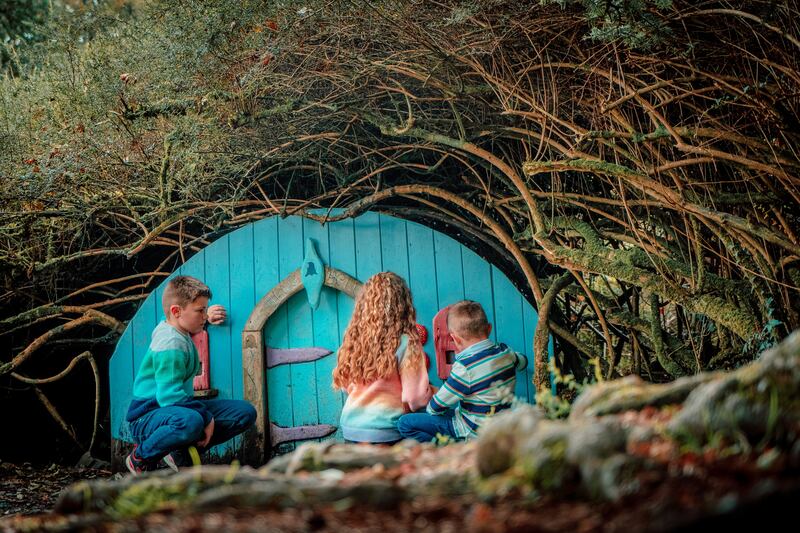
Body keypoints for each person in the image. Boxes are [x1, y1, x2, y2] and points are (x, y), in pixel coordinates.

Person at [124, 275, 256, 474]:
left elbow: (171, 316)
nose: (204, 315)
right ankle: (141, 457)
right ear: (177, 311)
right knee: (192, 421)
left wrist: (205, 318)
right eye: (200, 310)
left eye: (205, 309)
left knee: (245, 413)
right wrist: (207, 417)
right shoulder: (170, 344)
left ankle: (178, 450)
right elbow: (169, 396)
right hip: (147, 416)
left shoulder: (174, 325)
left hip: (174, 410)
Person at [397, 300, 527, 443]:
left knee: (405, 423)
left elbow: (436, 406)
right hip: (501, 426)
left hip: (471, 431)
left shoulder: (465, 367)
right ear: (489, 328)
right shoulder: (505, 352)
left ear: (455, 339)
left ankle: (448, 449)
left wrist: (432, 408)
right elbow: (523, 362)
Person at [333, 272, 434, 444]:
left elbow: (345, 385)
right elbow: (415, 399)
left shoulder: (354, 339)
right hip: (386, 431)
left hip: (351, 428)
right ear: (403, 304)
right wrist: (434, 392)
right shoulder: (406, 341)